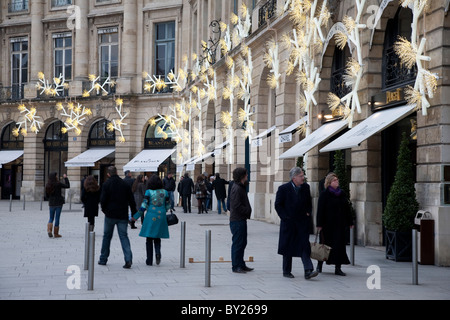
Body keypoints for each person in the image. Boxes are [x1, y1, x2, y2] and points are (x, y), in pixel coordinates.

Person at [275, 167, 318, 279]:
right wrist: (285, 217)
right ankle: (286, 271)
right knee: (288, 246)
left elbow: (309, 203)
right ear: (294, 178)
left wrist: (308, 212)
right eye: (301, 176)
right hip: (289, 223)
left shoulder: (305, 187)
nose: (303, 178)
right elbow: (278, 204)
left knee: (304, 246)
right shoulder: (283, 188)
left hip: (302, 222)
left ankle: (308, 270)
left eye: (303, 175)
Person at [99, 166, 137, 269]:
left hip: (110, 214)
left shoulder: (106, 184)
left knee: (107, 237)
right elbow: (131, 200)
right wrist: (134, 213)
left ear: (108, 174)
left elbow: (103, 199)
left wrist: (104, 210)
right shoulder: (124, 183)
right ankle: (128, 259)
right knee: (124, 236)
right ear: (117, 172)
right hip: (122, 215)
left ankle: (103, 259)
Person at [316, 172, 354, 276]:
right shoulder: (324, 194)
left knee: (339, 246)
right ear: (329, 182)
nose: (337, 182)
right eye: (334, 180)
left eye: (337, 180)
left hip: (339, 225)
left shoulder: (341, 193)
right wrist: (319, 224)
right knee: (324, 246)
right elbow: (320, 210)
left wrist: (350, 221)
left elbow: (347, 208)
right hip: (327, 225)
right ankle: (319, 265)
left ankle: (338, 268)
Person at [132, 175, 170, 266]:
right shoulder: (165, 192)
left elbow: (144, 206)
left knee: (149, 238)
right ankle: (158, 253)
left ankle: (149, 260)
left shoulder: (148, 192)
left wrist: (136, 216)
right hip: (161, 215)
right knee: (157, 237)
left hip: (151, 215)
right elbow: (168, 206)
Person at [229, 167, 253, 274]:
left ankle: (241, 264)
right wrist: (246, 210)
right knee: (238, 243)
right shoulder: (237, 188)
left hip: (240, 219)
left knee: (243, 242)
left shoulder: (240, 187)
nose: (247, 176)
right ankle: (236, 266)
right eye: (246, 174)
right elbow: (236, 205)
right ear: (242, 176)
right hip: (237, 220)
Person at [45, 172, 70, 238]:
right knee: (57, 218)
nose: (57, 176)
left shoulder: (48, 185)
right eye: (56, 175)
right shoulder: (58, 184)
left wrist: (50, 199)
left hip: (51, 203)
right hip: (58, 202)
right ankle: (56, 233)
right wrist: (66, 178)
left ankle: (49, 230)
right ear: (55, 177)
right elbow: (67, 186)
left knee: (51, 217)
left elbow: (46, 195)